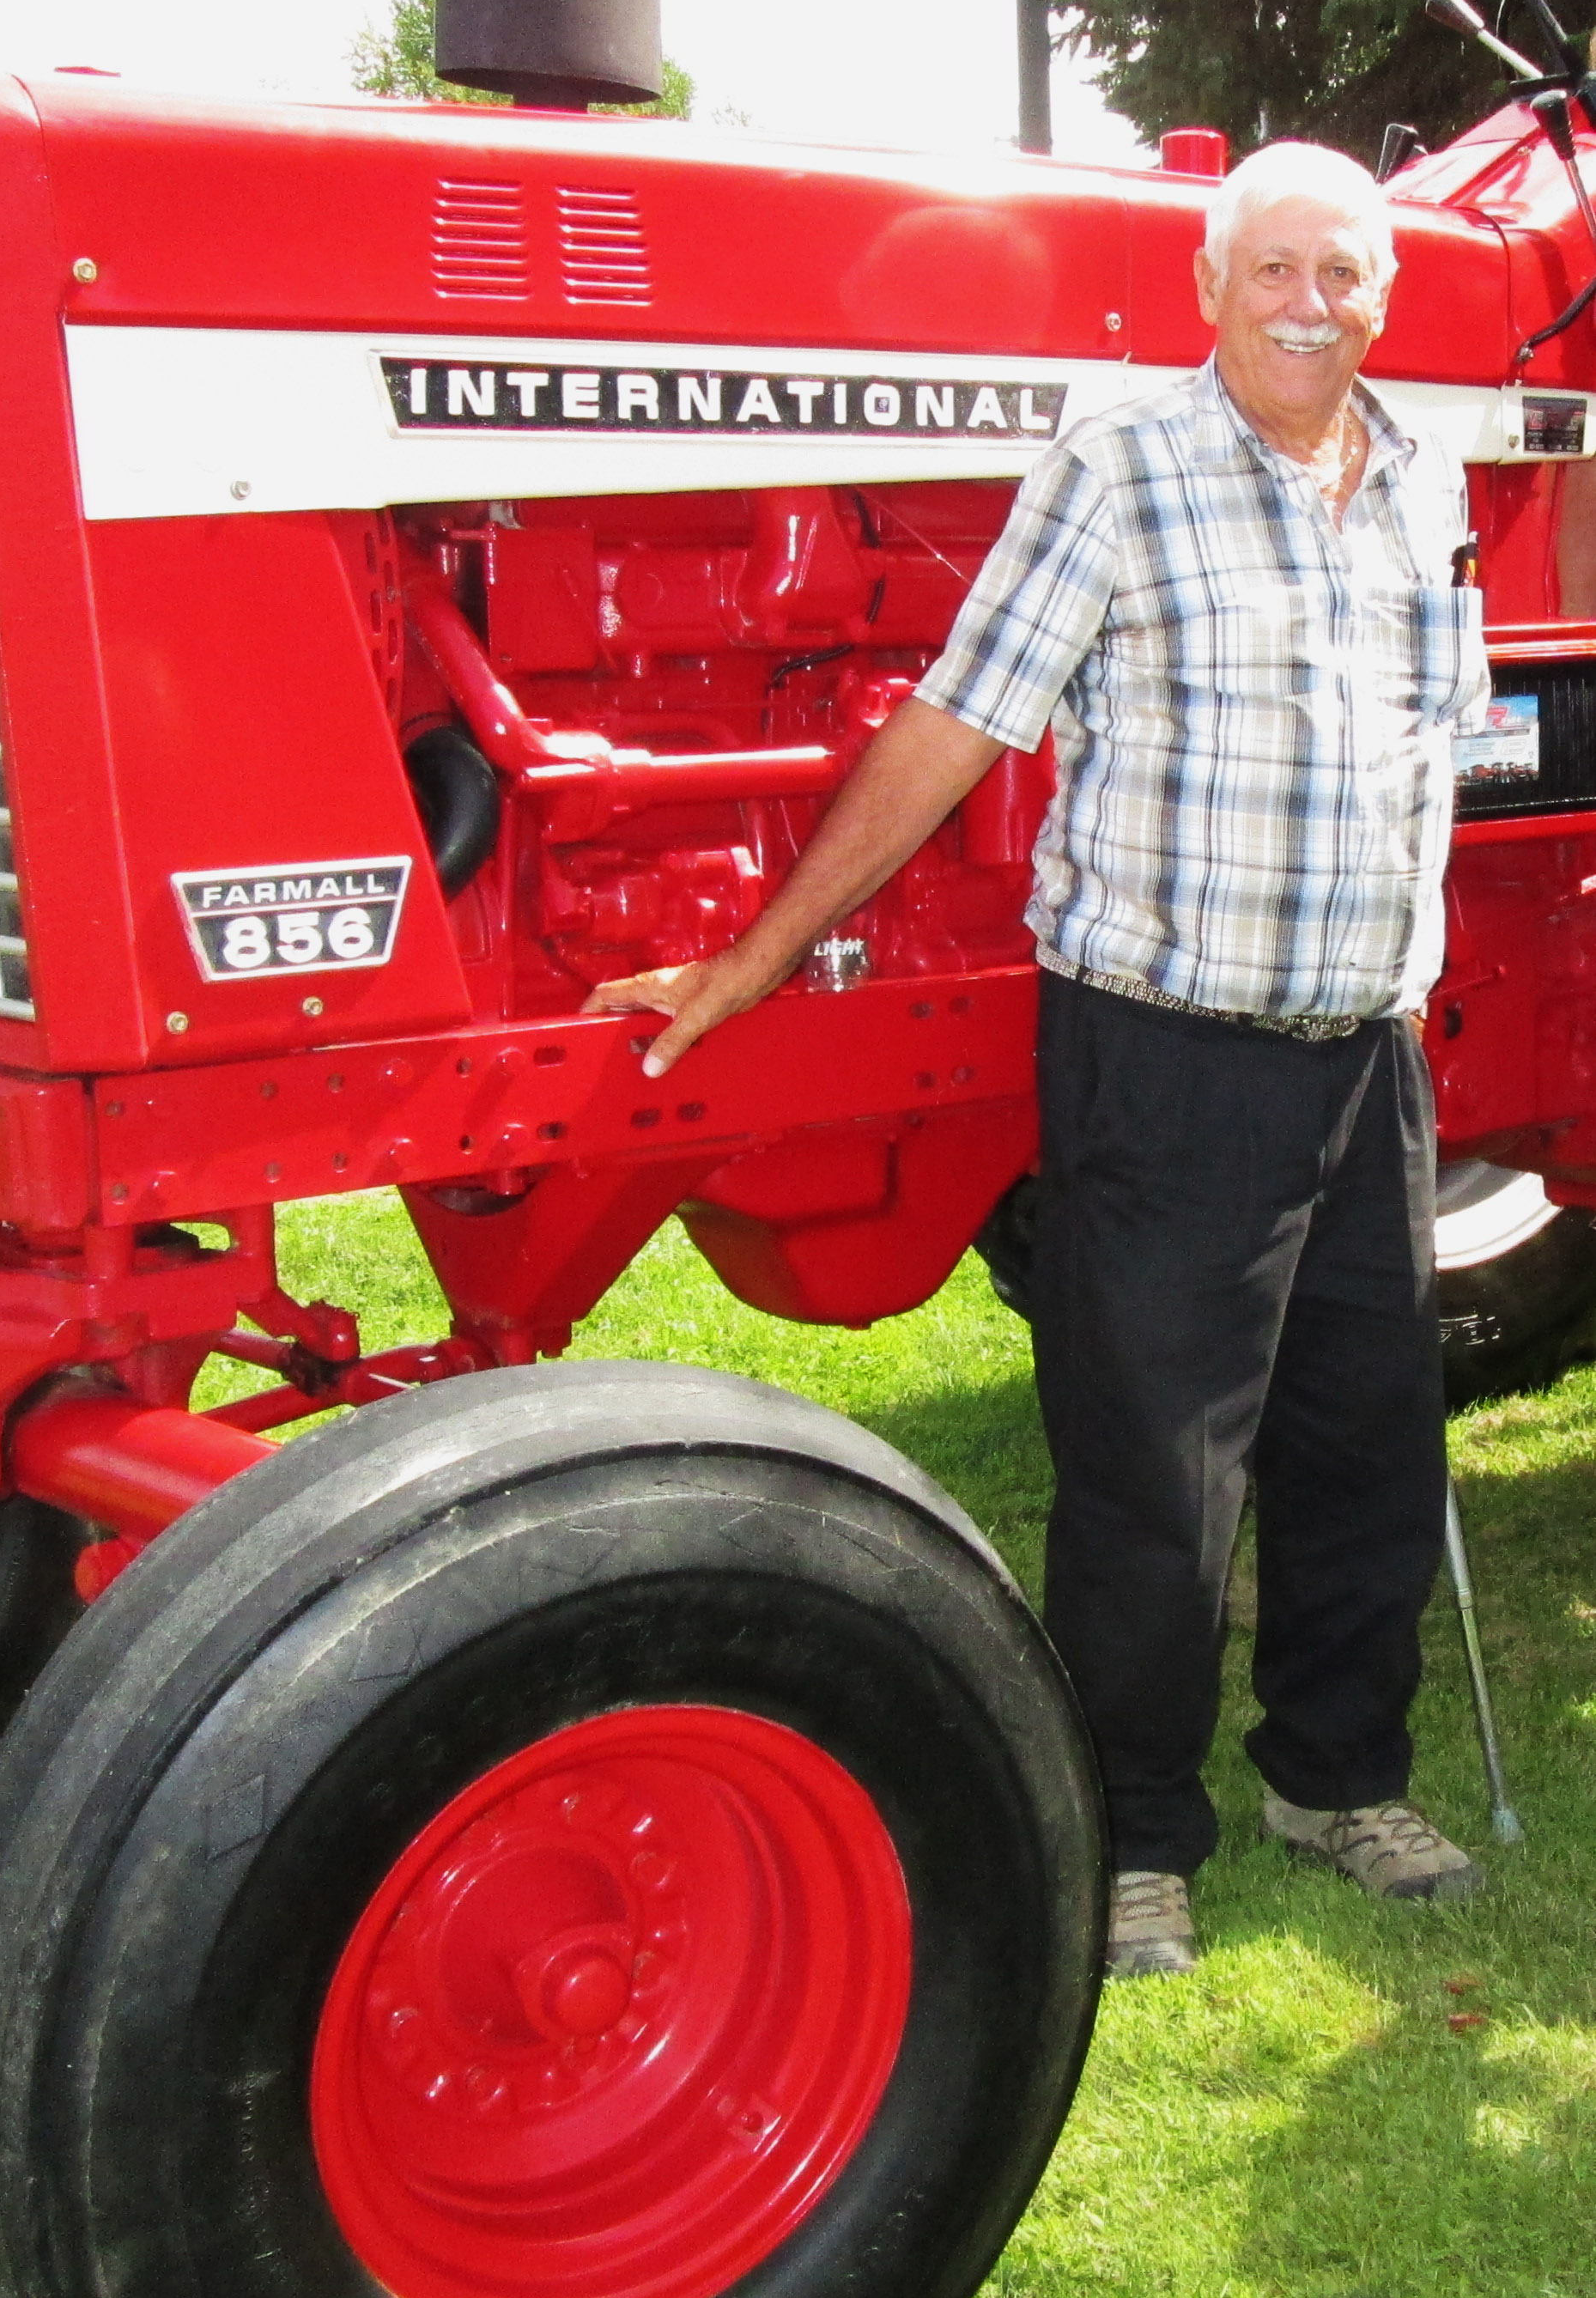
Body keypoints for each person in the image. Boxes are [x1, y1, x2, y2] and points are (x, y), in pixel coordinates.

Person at [586, 139, 1490, 1978]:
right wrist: (764, 954)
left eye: (1345, 271)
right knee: (1157, 1476)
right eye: (1274, 270)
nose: (1311, 303)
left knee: (1370, 1448)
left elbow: (1436, 741)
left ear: (1384, 295)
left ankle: (1340, 1779)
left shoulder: (1425, 477)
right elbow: (957, 722)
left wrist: (1408, 976)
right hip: (1169, 1053)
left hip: (1365, 1053)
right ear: (1208, 289)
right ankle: (1136, 1829)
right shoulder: (1124, 463)